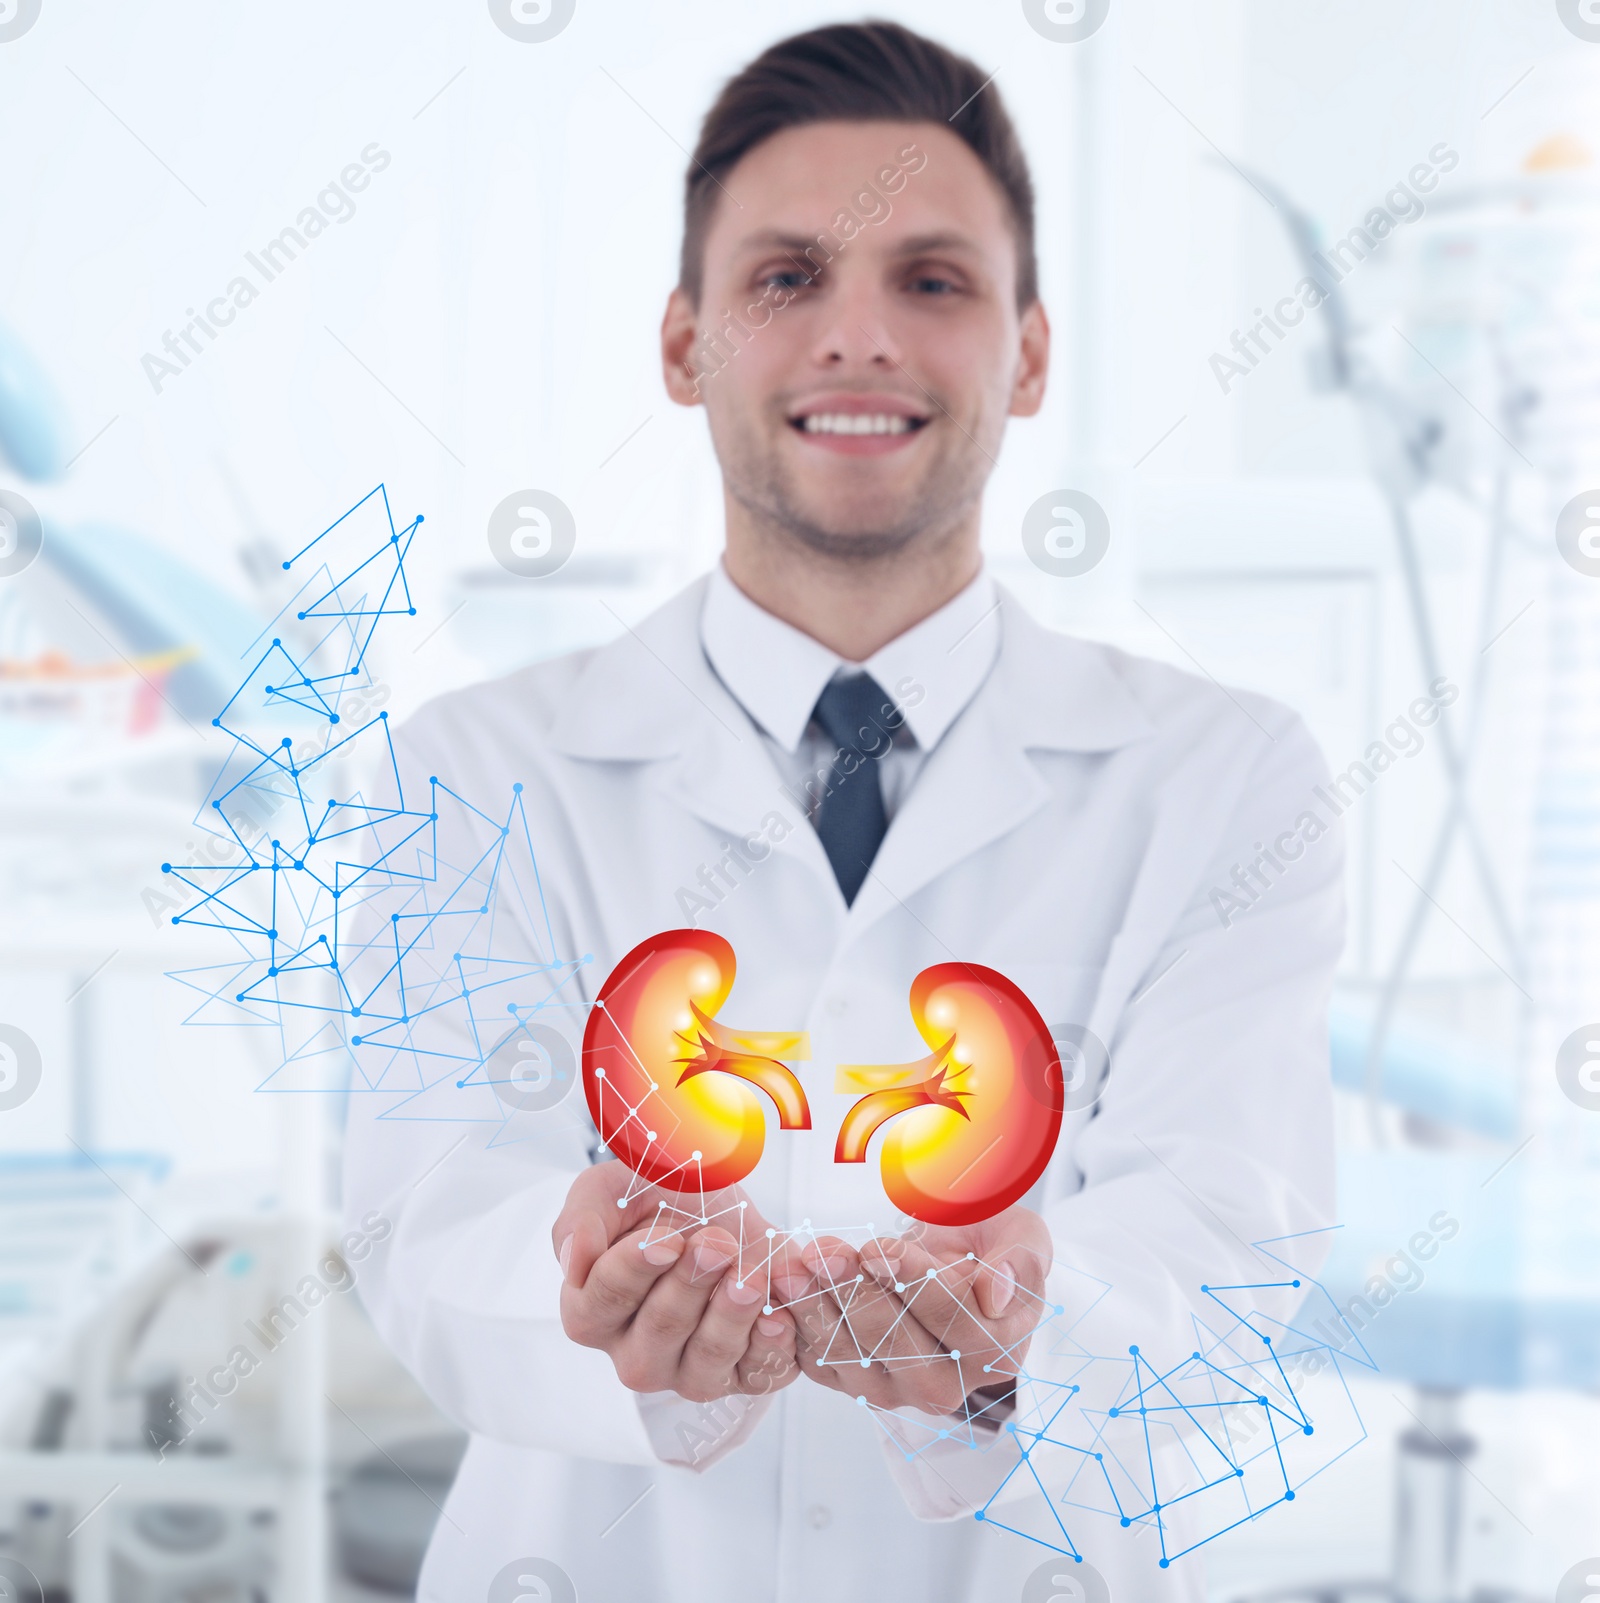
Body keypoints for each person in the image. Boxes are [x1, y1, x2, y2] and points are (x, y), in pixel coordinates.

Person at [343, 21, 1343, 1602]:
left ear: (1027, 350)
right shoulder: (472, 772)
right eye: (787, 278)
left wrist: (1031, 1321)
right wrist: (593, 1286)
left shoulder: (1227, 780)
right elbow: (423, 1221)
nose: (859, 338)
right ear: (685, 344)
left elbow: (1233, 1238)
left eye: (934, 282)